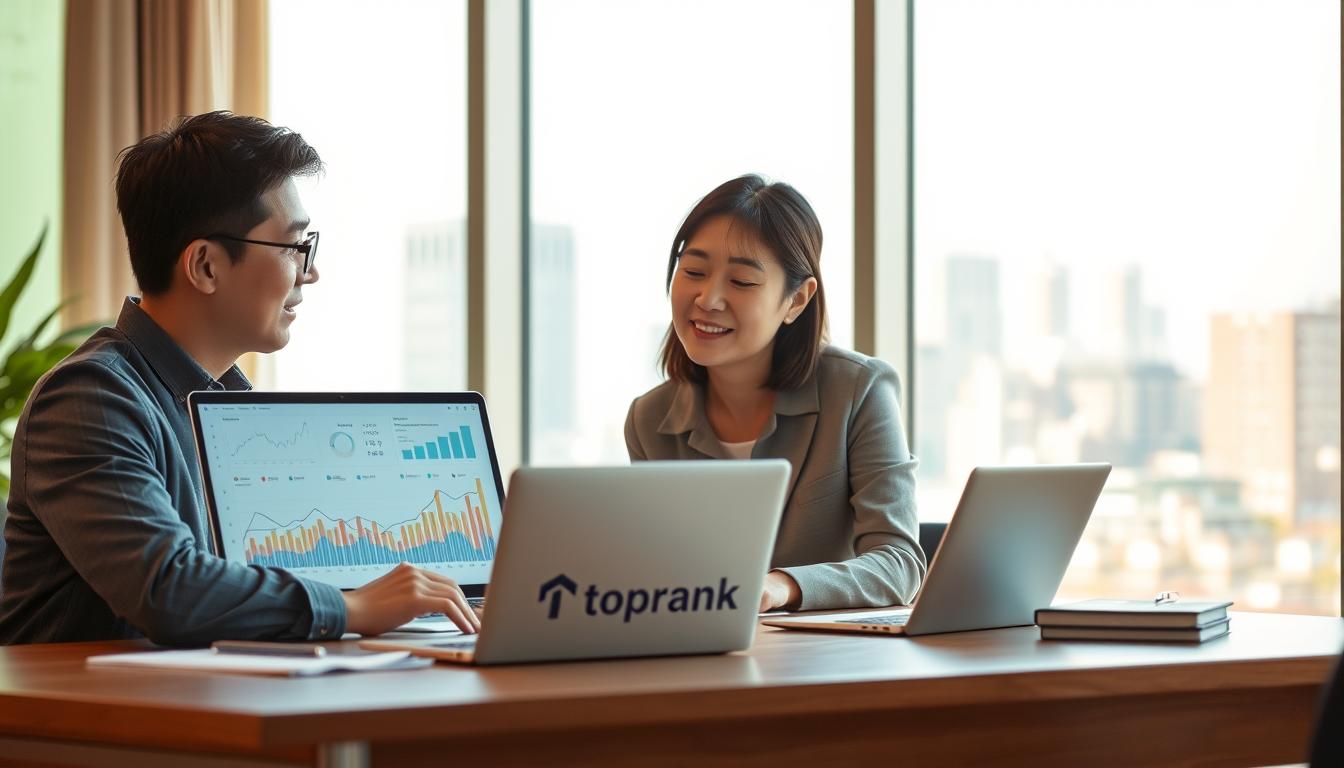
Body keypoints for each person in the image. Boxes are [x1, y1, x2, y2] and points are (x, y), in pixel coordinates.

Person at [0, 111, 480, 645]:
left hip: (205, 699)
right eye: (297, 247)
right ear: (205, 266)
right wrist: (355, 605)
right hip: (86, 720)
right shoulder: (88, 400)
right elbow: (168, 590)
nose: (311, 272)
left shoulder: (231, 410)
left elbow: (252, 587)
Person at [624, 174, 926, 612]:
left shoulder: (858, 390)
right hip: (708, 657)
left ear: (797, 301)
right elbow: (663, 571)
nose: (708, 299)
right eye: (693, 271)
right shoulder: (649, 421)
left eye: (742, 282)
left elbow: (899, 564)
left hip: (827, 661)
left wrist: (780, 586)